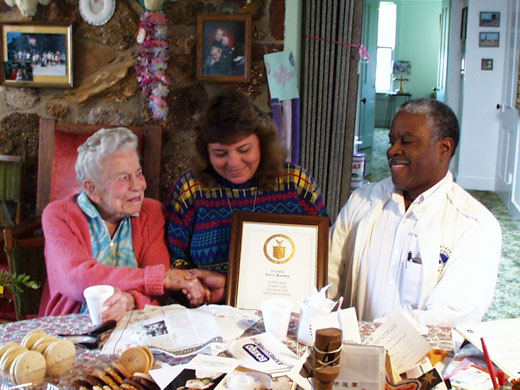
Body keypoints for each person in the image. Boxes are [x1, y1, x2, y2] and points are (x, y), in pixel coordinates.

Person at [328, 98, 501, 327]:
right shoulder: (362, 200)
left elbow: (448, 315)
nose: (392, 150)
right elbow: (326, 274)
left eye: (406, 141)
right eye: (392, 140)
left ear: (444, 149)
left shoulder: (474, 225)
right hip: (351, 351)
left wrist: (376, 337)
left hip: (423, 359)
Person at [40, 127, 225, 322]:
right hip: (69, 330)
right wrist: (163, 278)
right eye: (123, 178)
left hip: (134, 326)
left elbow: (159, 294)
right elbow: (79, 280)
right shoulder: (59, 216)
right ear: (92, 188)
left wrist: (131, 301)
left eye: (139, 173)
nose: (138, 185)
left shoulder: (151, 213)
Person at [165, 90, 328, 274]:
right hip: (207, 302)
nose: (233, 163)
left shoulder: (296, 184)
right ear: (206, 152)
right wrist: (194, 285)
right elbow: (176, 261)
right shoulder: (191, 189)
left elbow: (322, 251)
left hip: (286, 302)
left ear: (262, 143)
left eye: (244, 150)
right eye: (220, 153)